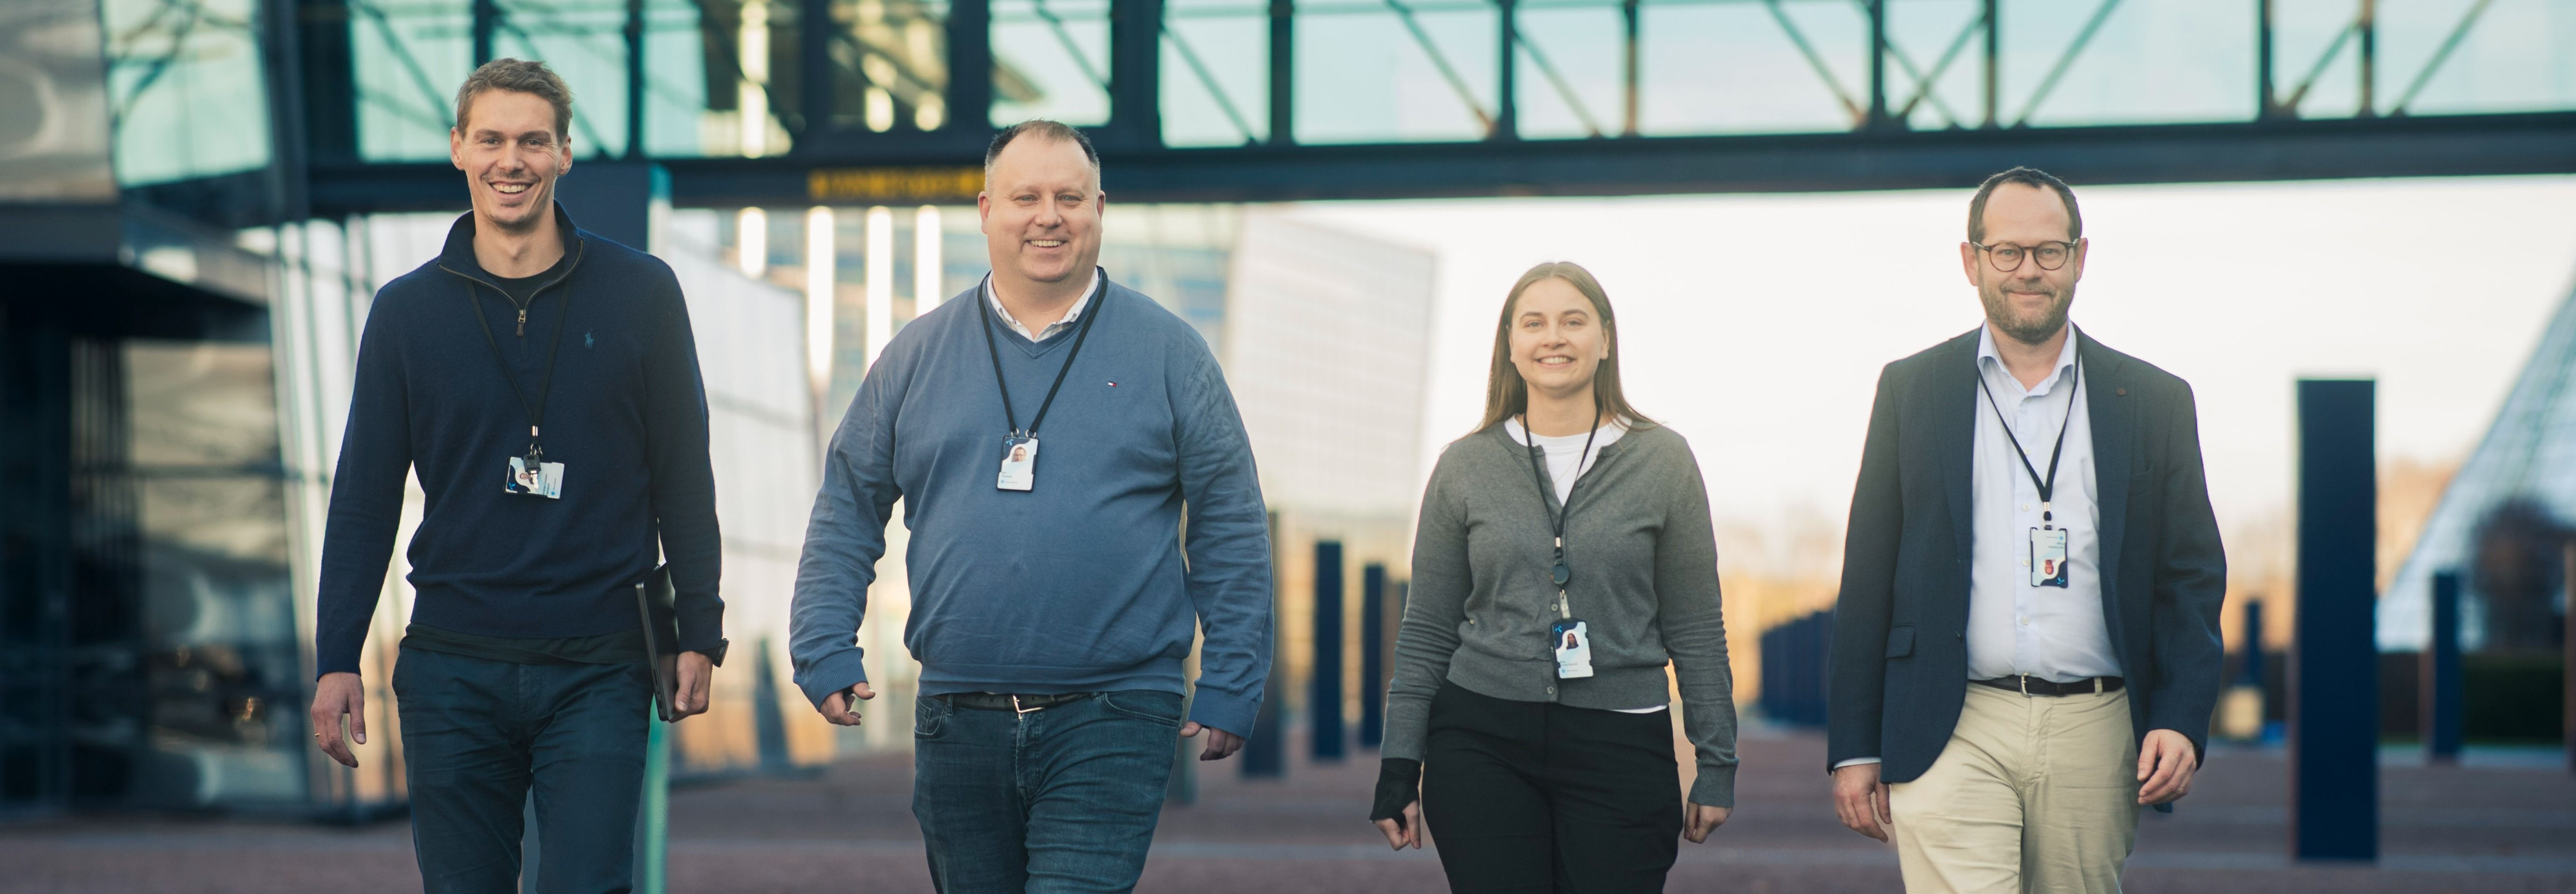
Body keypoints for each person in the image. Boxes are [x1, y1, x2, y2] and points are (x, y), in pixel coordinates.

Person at [788, 120, 1273, 893]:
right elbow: (848, 505)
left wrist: (1232, 679)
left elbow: (1230, 525)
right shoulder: (916, 355)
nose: (1049, 215)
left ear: (1100, 210)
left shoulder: (1173, 353)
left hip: (1117, 712)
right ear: (986, 211)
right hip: (956, 713)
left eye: (1069, 198)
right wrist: (822, 645)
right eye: (1027, 197)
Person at [306, 58, 726, 894]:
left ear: (565, 155)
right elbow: (364, 496)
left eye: (534, 141)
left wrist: (700, 631)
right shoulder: (405, 311)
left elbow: (684, 474)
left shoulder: (642, 294)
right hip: (452, 666)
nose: (512, 160)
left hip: (601, 665)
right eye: (491, 139)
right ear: (458, 148)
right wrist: (336, 655)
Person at [1826, 167, 2227, 893]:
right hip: (1952, 724)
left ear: (2080, 258)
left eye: (2050, 251)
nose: (2029, 270)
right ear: (1971, 261)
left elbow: (2191, 576)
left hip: (2098, 727)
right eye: (2007, 251)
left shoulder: (2156, 401)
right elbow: (1869, 575)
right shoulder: (1910, 390)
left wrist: (2182, 717)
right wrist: (1854, 744)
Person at [1370, 261, 1737, 892]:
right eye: (1533, 323)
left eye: (1574, 321)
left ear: (1606, 340)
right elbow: (1428, 628)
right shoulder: (1465, 466)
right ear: (1510, 346)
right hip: (1481, 740)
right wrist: (1399, 765)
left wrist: (1716, 761)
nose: (1554, 338)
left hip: (1622, 739)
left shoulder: (1663, 461)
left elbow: (1696, 626)